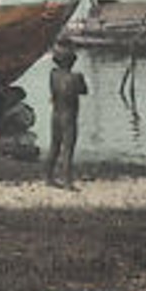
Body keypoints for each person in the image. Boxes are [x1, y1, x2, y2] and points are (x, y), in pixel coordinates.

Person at [45, 45, 88, 189]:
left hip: (55, 114)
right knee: (68, 149)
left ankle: (48, 177)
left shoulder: (53, 74)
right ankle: (67, 181)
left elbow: (53, 93)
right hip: (69, 116)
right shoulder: (76, 77)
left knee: (54, 146)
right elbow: (84, 90)